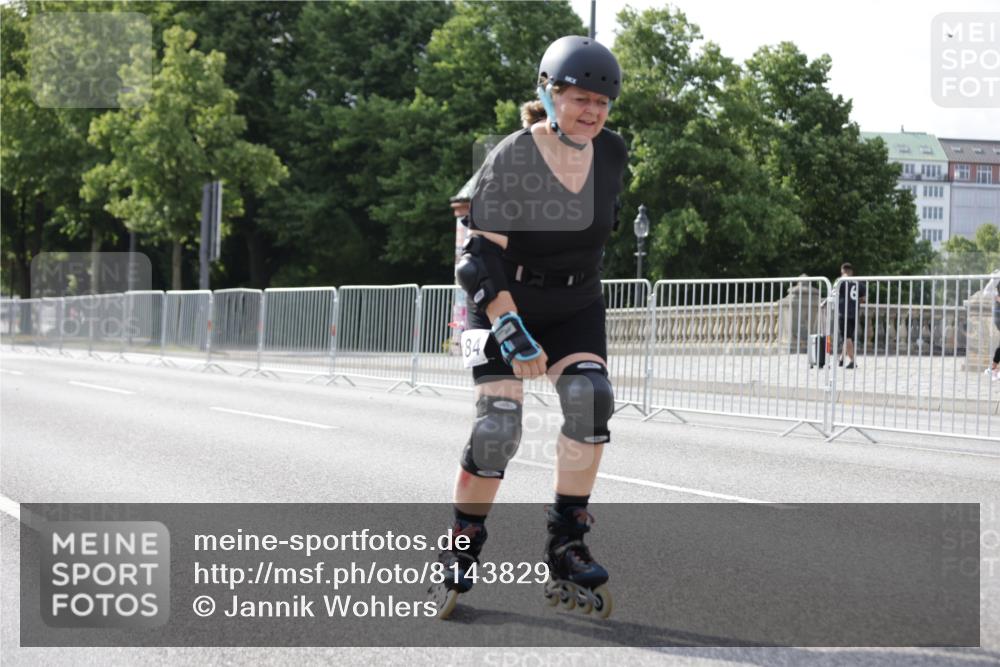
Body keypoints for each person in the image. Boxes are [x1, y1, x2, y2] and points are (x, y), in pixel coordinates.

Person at [428, 35, 627, 620]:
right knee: (498, 428)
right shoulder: (514, 154)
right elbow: (477, 260)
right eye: (579, 98)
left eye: (602, 103)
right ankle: (461, 545)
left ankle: (566, 543)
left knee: (591, 402)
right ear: (549, 92)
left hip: (575, 305)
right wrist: (511, 330)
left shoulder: (612, 153)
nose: (591, 112)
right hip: (499, 303)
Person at [836, 263, 866, 369]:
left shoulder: (840, 281)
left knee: (846, 337)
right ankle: (841, 359)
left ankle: (853, 361)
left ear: (843, 271)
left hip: (843, 312)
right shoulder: (859, 282)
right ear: (851, 272)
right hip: (854, 312)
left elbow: (834, 294)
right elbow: (864, 299)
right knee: (848, 337)